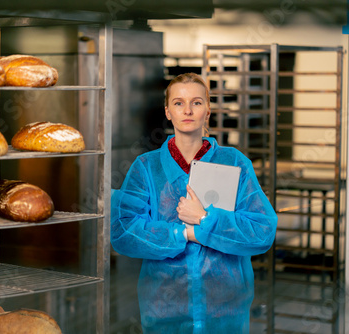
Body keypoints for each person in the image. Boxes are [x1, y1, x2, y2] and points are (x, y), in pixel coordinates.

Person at [110, 72, 278, 334]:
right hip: (165, 310)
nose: (187, 110)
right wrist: (184, 232)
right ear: (168, 112)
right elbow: (124, 232)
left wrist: (205, 219)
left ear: (207, 111)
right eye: (178, 103)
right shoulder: (146, 167)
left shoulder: (234, 163)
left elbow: (262, 231)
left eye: (196, 103)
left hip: (226, 311)